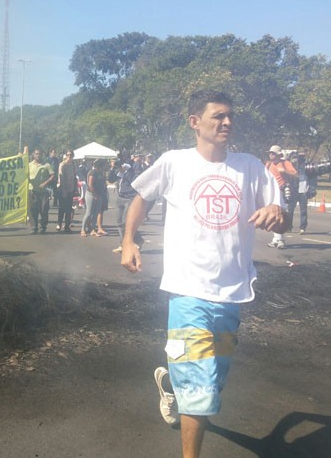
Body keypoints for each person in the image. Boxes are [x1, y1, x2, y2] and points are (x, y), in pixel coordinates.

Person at [121, 90, 287, 458]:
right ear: (195, 122)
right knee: (200, 389)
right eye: (218, 116)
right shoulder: (174, 162)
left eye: (230, 117)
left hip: (232, 293)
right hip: (187, 291)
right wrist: (129, 240)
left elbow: (282, 216)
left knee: (213, 380)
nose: (227, 122)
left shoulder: (249, 166)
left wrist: (278, 212)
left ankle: (170, 387)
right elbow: (142, 197)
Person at [265, 145, 297, 249]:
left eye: (273, 153)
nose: (271, 154)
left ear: (278, 154)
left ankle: (281, 239)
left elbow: (296, 174)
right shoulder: (268, 164)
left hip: (282, 190)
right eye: (270, 153)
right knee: (273, 215)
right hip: (271, 191)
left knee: (281, 215)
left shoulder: (285, 163)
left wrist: (284, 171)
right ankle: (276, 239)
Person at [112, 161, 143, 253]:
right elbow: (110, 179)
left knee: (126, 223)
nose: (119, 167)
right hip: (120, 198)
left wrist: (127, 171)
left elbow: (133, 182)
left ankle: (135, 240)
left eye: (120, 165)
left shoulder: (131, 173)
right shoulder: (119, 173)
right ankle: (123, 244)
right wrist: (113, 168)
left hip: (129, 198)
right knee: (119, 223)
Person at [28, 149, 55, 234]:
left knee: (44, 210)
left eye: (40, 154)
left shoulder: (46, 165)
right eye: (36, 154)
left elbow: (52, 175)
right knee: (33, 210)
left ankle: (43, 227)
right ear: (33, 155)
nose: (38, 155)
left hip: (44, 191)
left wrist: (45, 183)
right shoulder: (29, 165)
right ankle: (34, 227)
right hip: (33, 191)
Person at [56, 150, 76, 233]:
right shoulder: (62, 165)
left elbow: (74, 177)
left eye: (71, 155)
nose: (69, 156)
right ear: (65, 155)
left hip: (70, 189)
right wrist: (64, 190)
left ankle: (67, 226)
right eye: (68, 155)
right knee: (62, 208)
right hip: (63, 189)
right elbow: (61, 178)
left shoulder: (73, 165)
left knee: (69, 208)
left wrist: (75, 188)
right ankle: (59, 223)